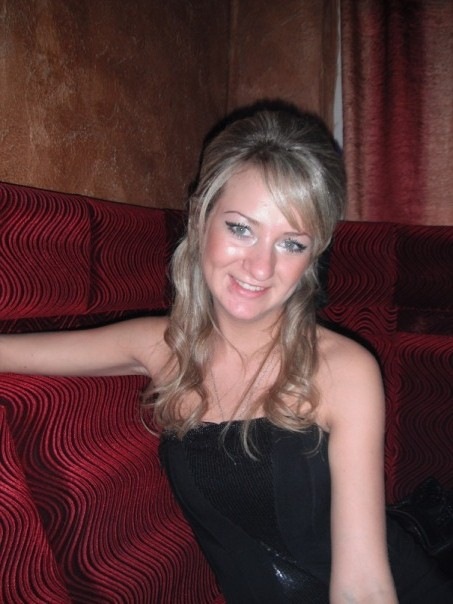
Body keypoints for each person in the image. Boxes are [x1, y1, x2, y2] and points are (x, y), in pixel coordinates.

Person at [1, 105, 452, 603]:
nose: (260, 267)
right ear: (201, 217)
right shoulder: (161, 346)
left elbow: (363, 586)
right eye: (241, 228)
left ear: (313, 256)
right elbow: (15, 353)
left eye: (292, 244)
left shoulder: (343, 369)